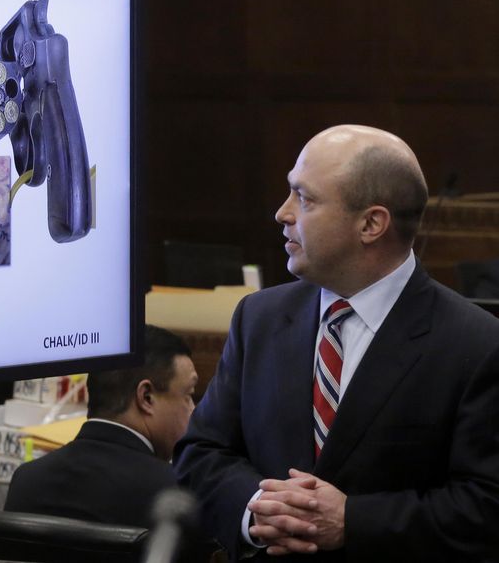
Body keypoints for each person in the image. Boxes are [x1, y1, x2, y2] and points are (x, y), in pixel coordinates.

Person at [173, 125, 499, 562]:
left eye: (304, 199)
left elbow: (485, 505)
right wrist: (255, 510)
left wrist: (355, 522)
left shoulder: (476, 344)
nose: (282, 213)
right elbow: (200, 453)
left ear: (371, 224)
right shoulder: (259, 318)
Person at [3, 324, 199, 528]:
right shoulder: (174, 497)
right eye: (189, 395)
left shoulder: (25, 481)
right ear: (146, 397)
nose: (194, 410)